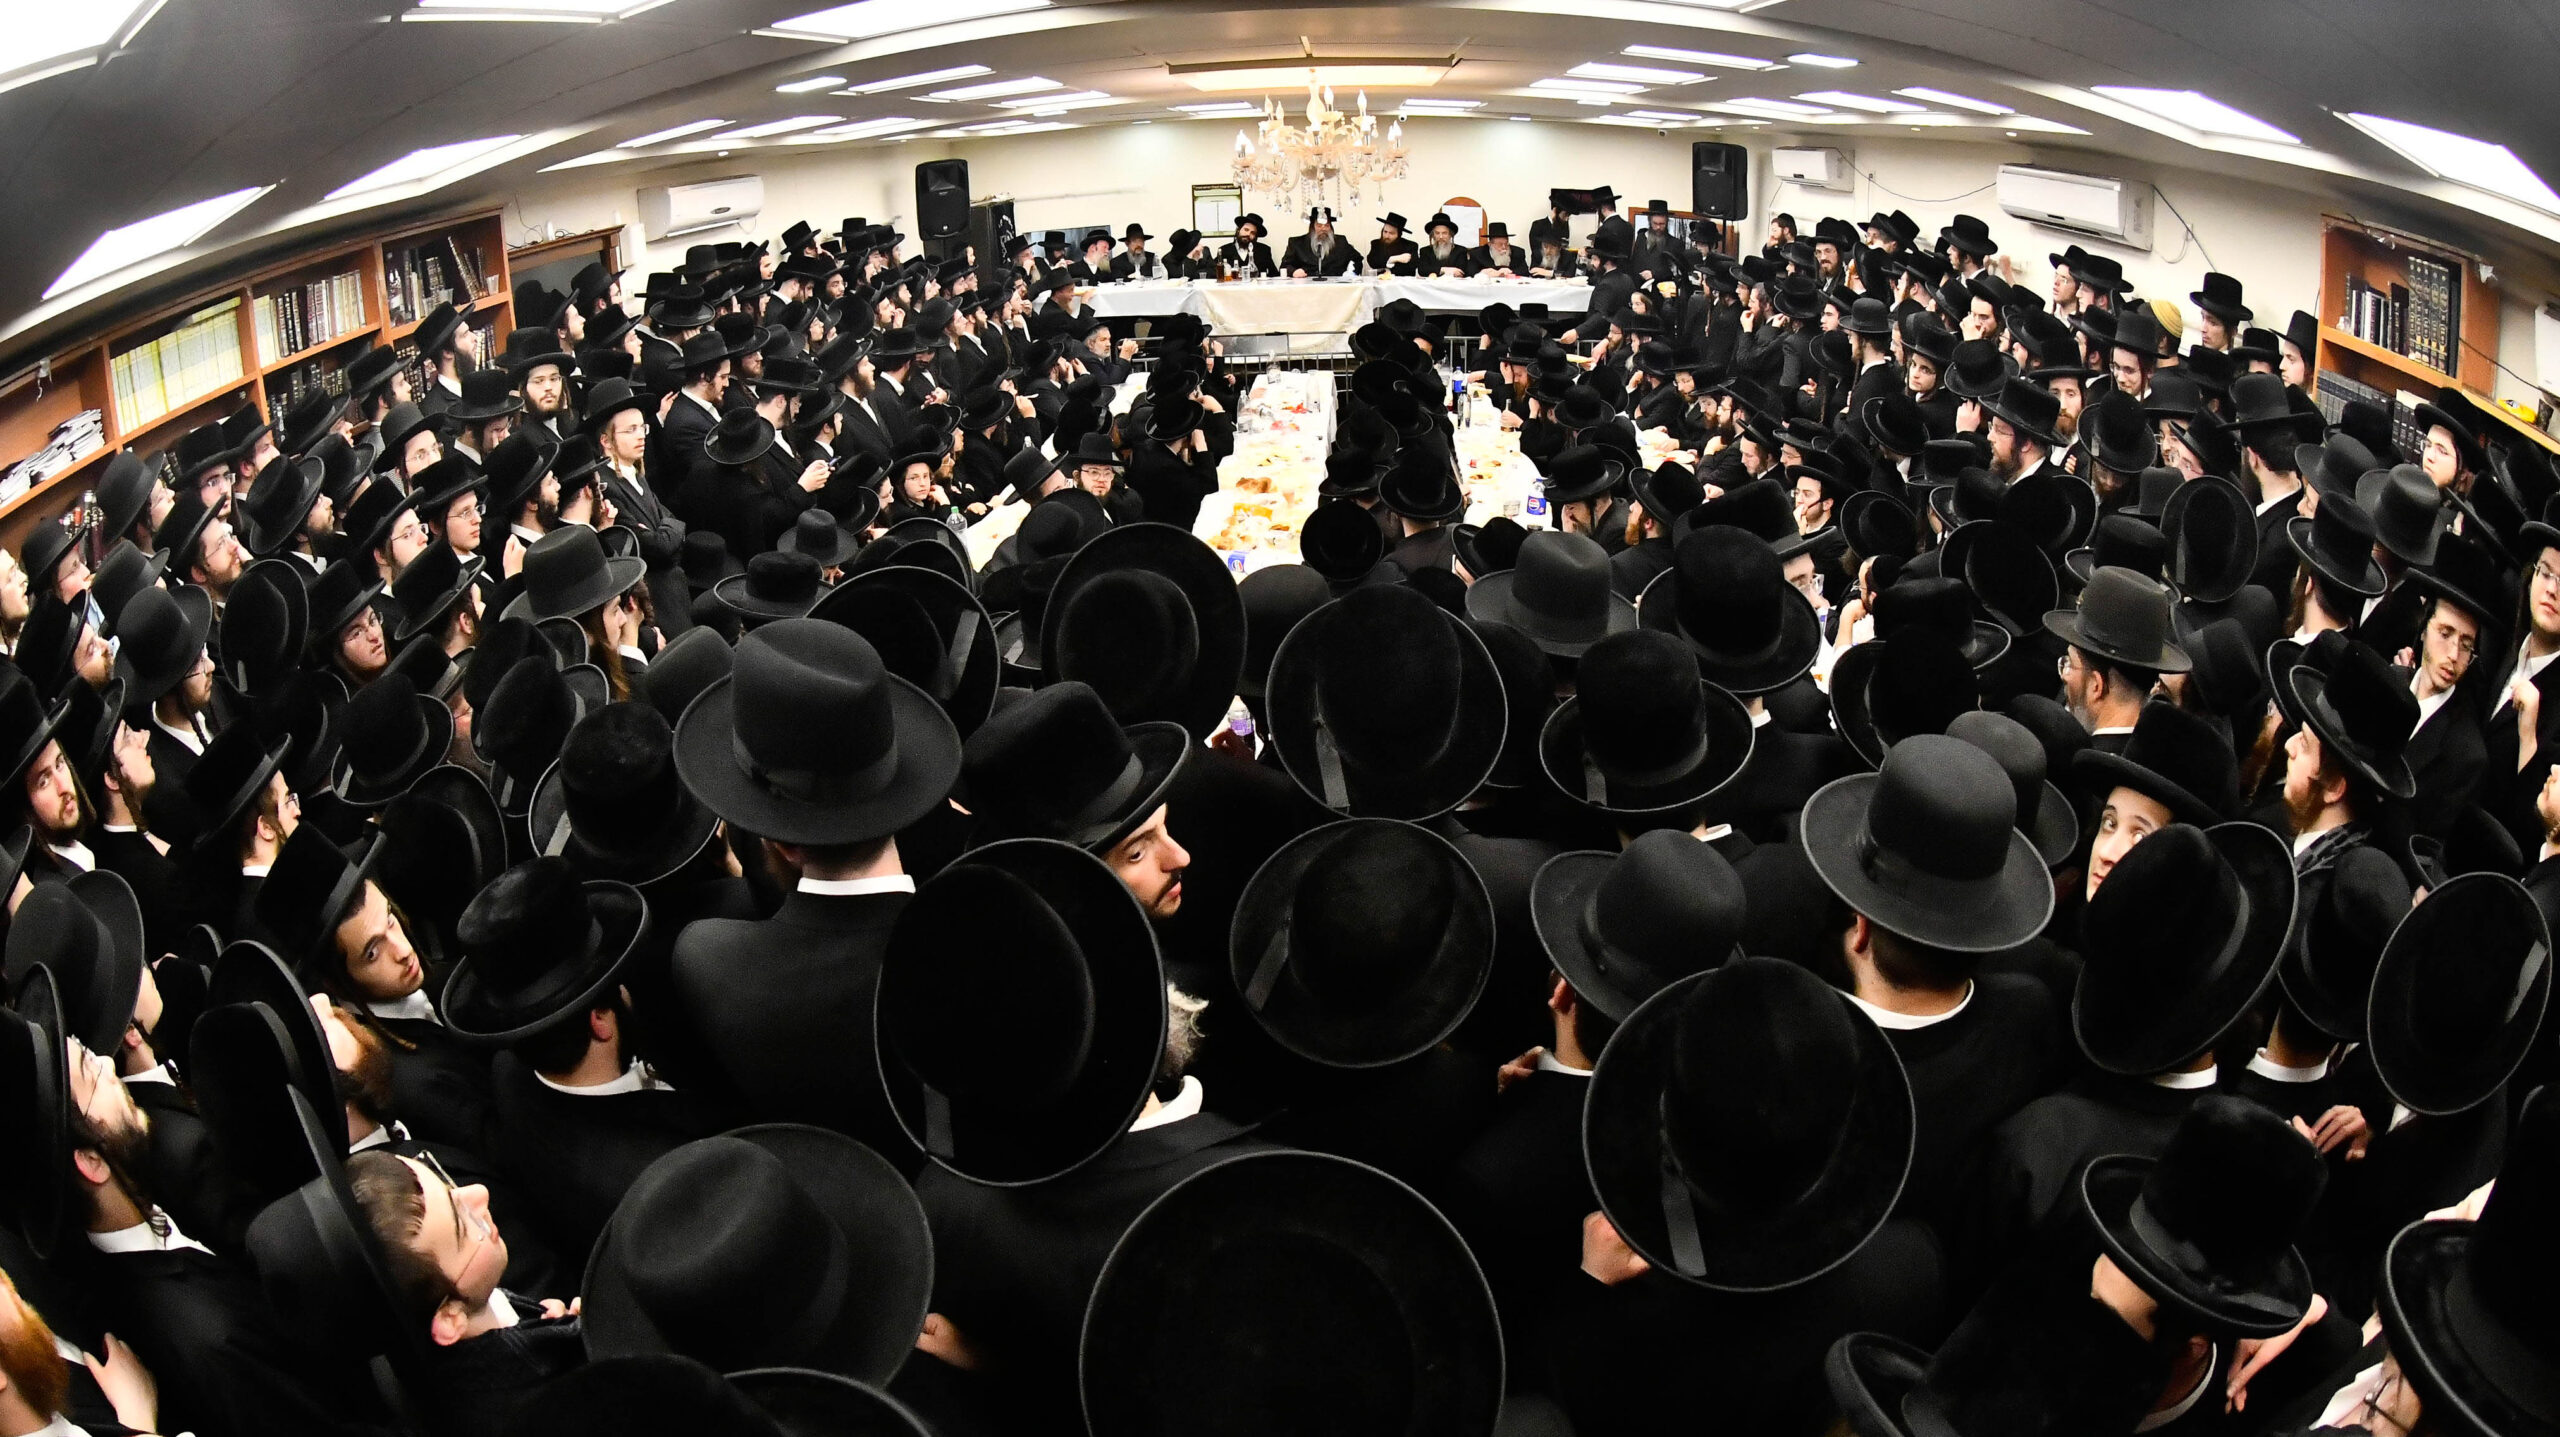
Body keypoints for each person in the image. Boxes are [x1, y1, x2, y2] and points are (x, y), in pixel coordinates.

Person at [1283, 207, 1361, 278]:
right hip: (1305, 286)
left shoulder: (1341, 242)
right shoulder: (1297, 243)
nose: (1323, 229)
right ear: (1312, 227)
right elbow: (1284, 266)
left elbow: (1357, 259)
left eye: (1326, 225)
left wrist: (1351, 273)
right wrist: (1293, 272)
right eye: (1319, 225)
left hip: (1335, 286)